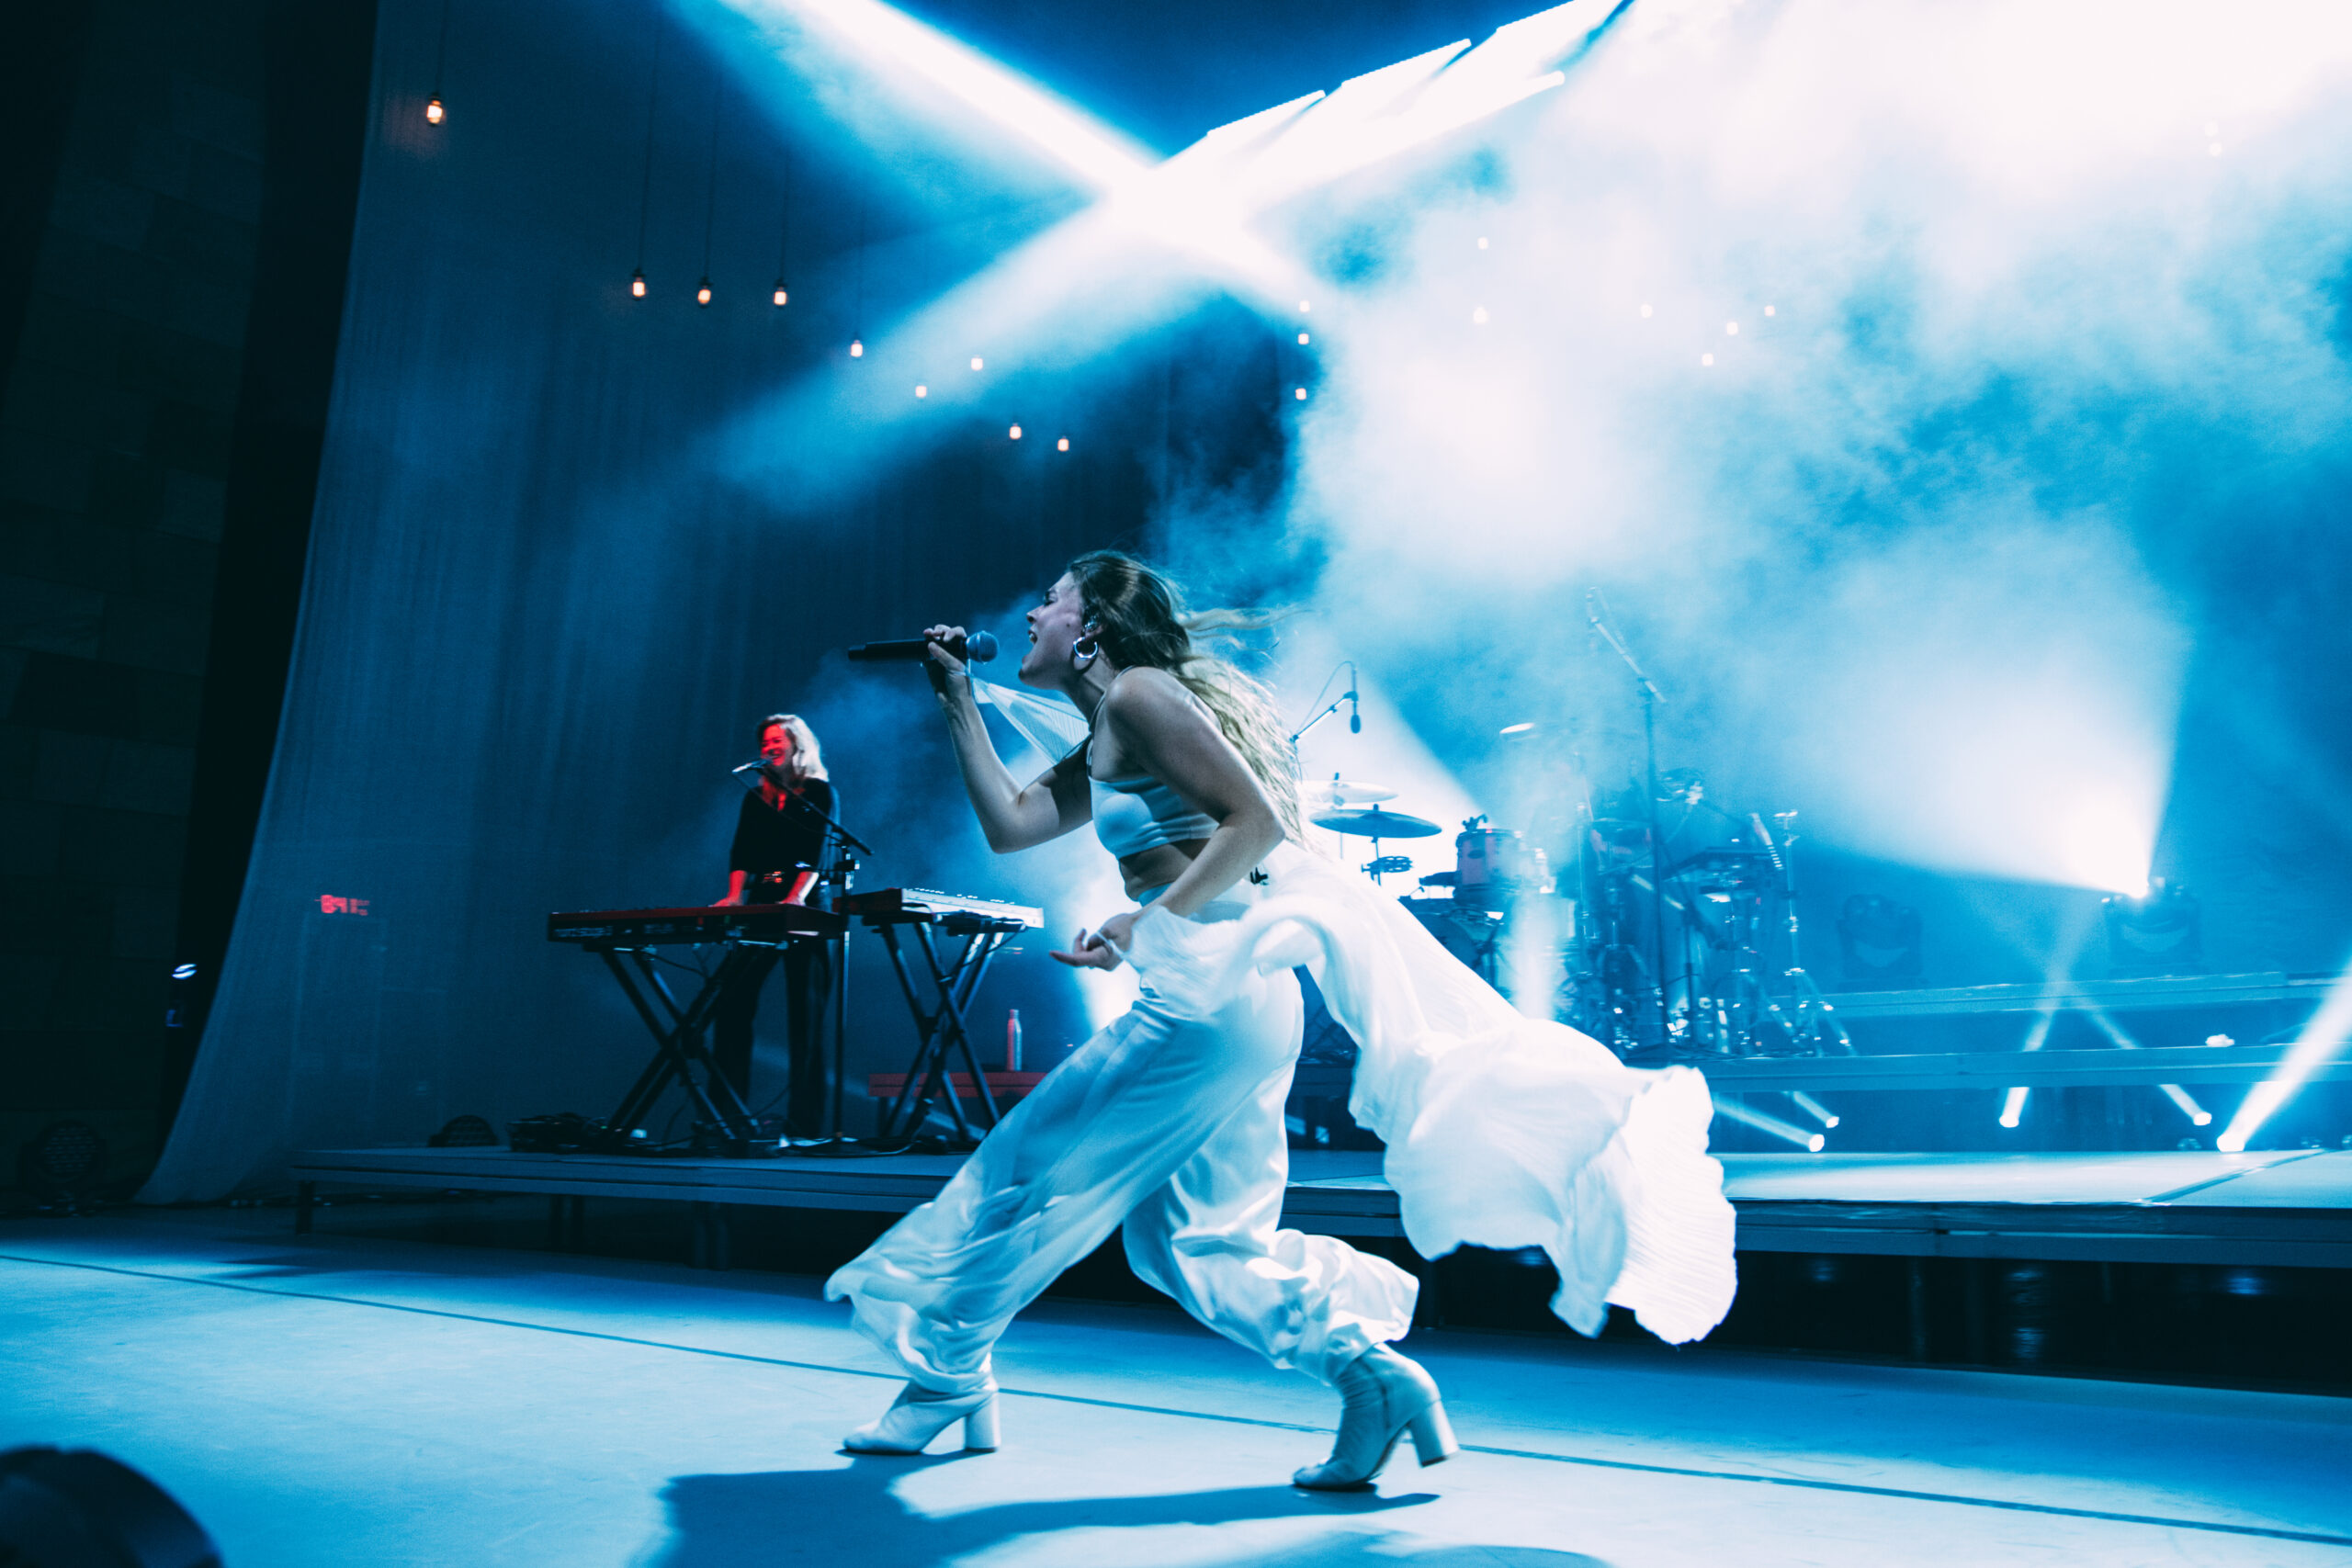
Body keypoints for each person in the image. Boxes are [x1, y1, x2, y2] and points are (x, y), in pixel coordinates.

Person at [826, 551, 1736, 1489]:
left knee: (1029, 1170)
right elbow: (1012, 825)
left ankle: (945, 1375)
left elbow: (1254, 823)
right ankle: (1369, 1374)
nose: (1030, 614)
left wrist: (1150, 918)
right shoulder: (1106, 729)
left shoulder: (1139, 694)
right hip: (1230, 999)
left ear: (1090, 627)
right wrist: (956, 697)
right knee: (1191, 1246)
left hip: (1210, 997)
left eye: (1050, 599)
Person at [711, 713, 836, 1139]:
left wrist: (796, 897)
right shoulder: (756, 797)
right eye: (764, 741)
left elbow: (817, 853)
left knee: (806, 1014)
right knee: (732, 1002)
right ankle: (724, 1117)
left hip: (805, 904)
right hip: (763, 901)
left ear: (797, 745)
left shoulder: (818, 793)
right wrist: (734, 896)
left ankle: (806, 1125)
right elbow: (741, 852)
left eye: (776, 740)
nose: (768, 747)